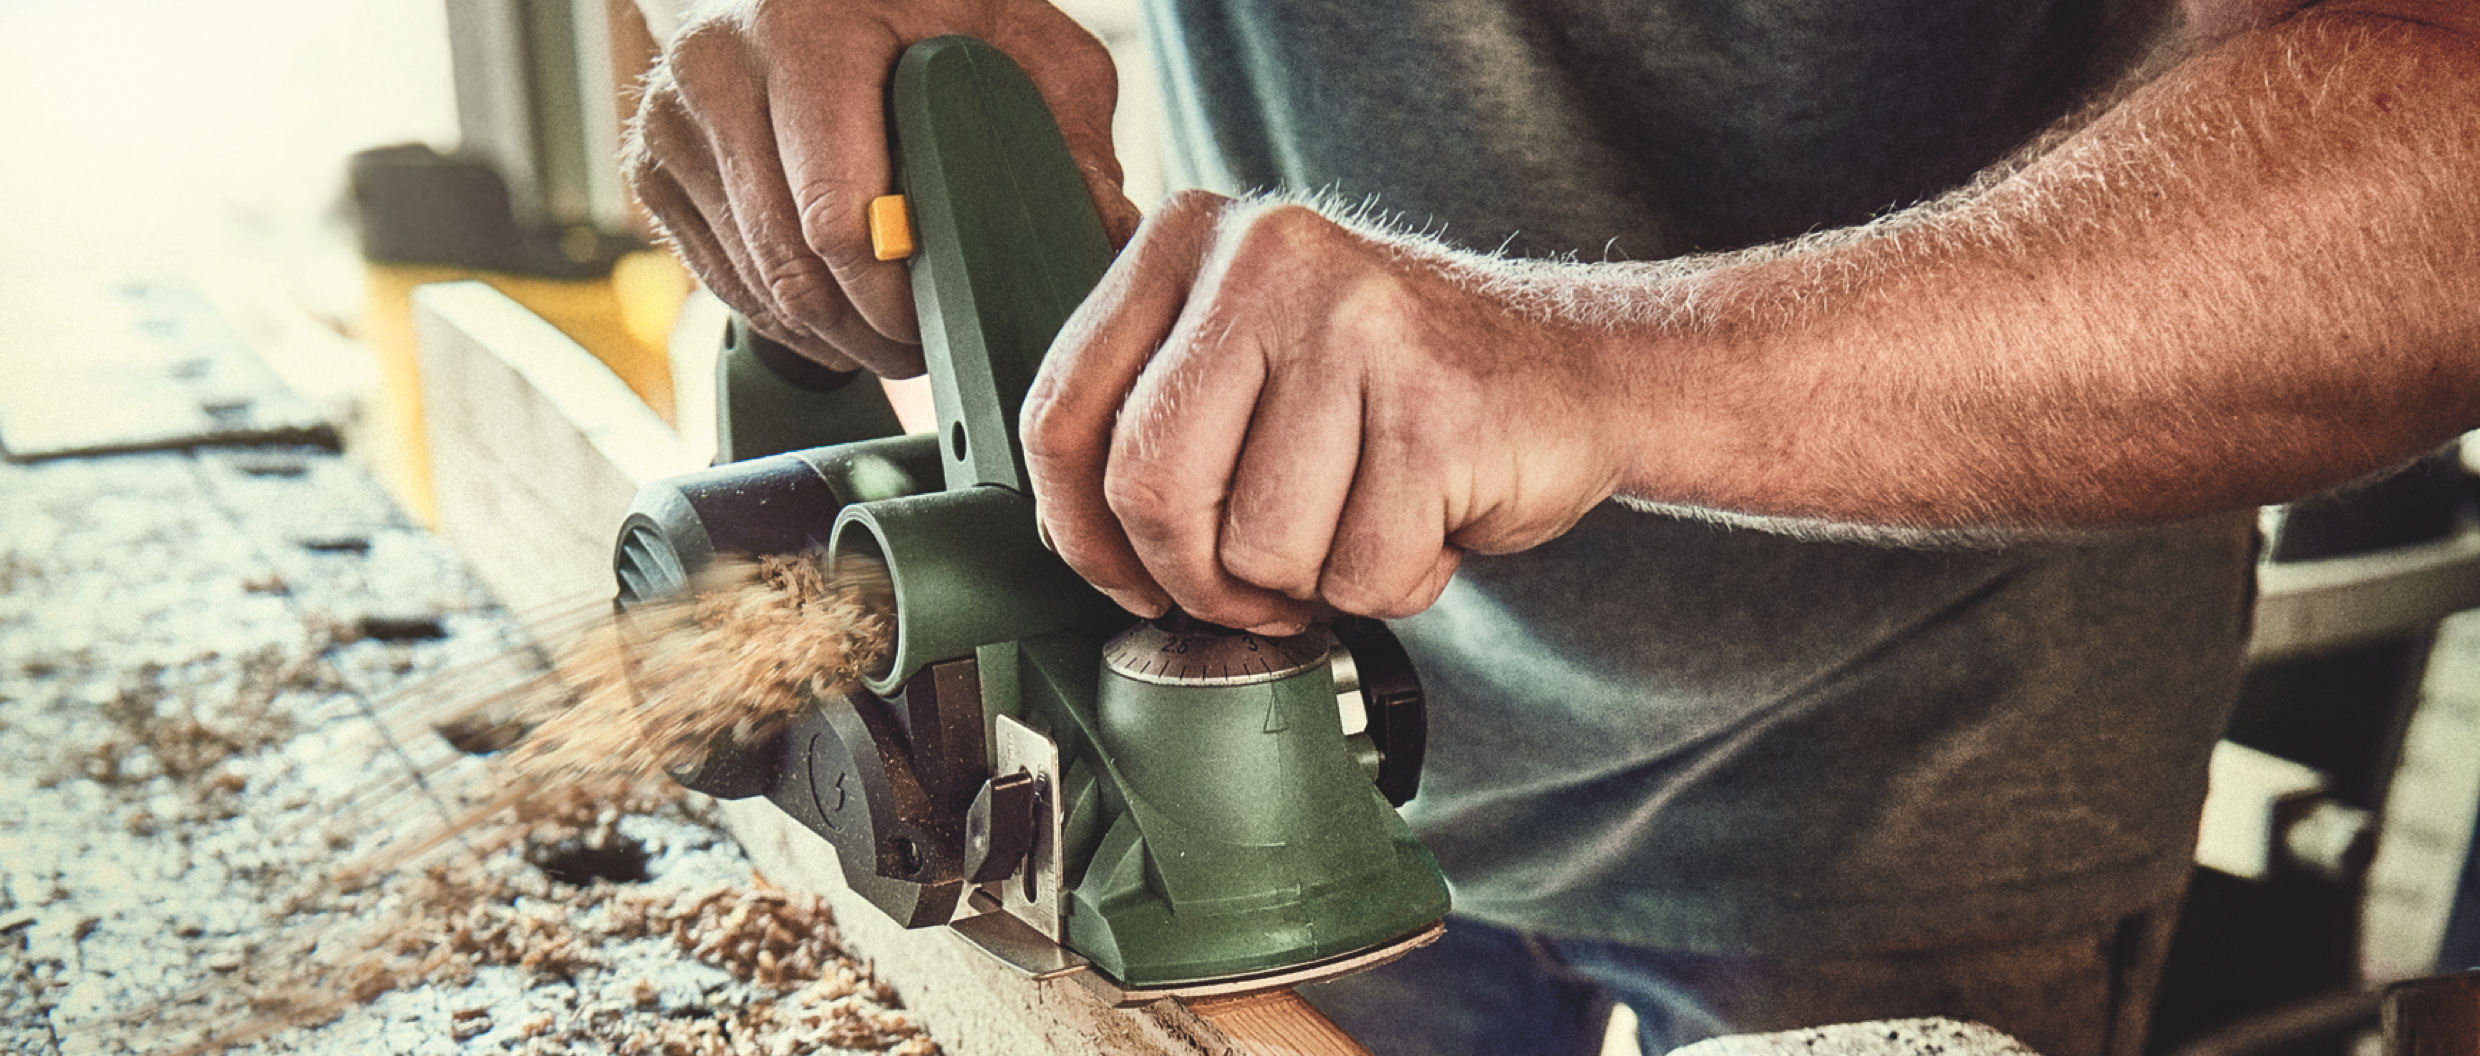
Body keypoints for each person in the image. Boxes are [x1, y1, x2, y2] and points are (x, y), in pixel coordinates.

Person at [620, 1, 2480, 1053]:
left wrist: (1594, 362)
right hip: (1253, 710)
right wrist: (816, 47)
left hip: (1904, 776)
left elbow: (2444, 167)